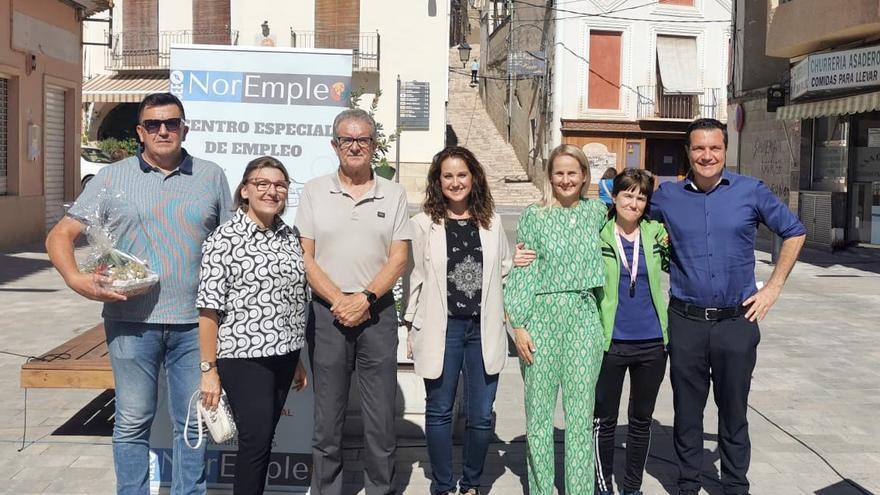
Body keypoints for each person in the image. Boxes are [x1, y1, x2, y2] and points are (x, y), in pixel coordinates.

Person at [46, 92, 232, 494]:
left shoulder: (211, 175)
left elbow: (228, 246)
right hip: (131, 324)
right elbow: (60, 235)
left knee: (192, 424)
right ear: (139, 133)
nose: (163, 130)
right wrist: (77, 280)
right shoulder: (112, 178)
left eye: (171, 123)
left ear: (185, 128)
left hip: (193, 326)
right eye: (153, 124)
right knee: (132, 420)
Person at [651, 118, 806, 495]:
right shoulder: (666, 197)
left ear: (725, 151)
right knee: (687, 413)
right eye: (699, 148)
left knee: (734, 412)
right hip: (685, 321)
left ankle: (735, 486)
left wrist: (772, 288)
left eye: (715, 148)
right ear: (688, 151)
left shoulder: (750, 191)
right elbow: (623, 220)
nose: (707, 156)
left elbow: (794, 231)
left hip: (737, 323)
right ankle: (687, 484)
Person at [514, 168, 670, 495]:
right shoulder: (586, 222)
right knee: (578, 419)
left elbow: (675, 259)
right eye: (627, 195)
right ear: (613, 196)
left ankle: (613, 488)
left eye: (641, 197)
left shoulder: (644, 230)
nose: (634, 202)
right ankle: (567, 489)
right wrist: (517, 318)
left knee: (607, 421)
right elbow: (524, 266)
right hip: (583, 330)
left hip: (623, 334)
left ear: (585, 177)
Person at [295, 108, 413, 495]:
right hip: (326, 314)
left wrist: (363, 299)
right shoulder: (313, 190)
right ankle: (327, 490)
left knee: (380, 419)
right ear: (335, 145)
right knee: (327, 418)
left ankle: (380, 489)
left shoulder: (394, 193)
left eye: (363, 140)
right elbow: (305, 257)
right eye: (347, 139)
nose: (355, 146)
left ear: (374, 146)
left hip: (376, 314)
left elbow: (399, 258)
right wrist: (339, 300)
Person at [196, 156, 309, 495]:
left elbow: (292, 301)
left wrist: (298, 356)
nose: (271, 191)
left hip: (285, 355)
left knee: (263, 441)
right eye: (262, 184)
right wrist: (208, 370)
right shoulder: (224, 239)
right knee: (255, 441)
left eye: (279, 185)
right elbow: (208, 309)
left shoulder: (289, 236)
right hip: (243, 356)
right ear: (244, 190)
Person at [404, 147, 512, 495]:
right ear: (438, 181)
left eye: (461, 175)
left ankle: (472, 483)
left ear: (473, 178)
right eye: (447, 176)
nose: (455, 182)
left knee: (481, 415)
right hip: (443, 328)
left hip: (483, 328)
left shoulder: (492, 222)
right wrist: (410, 325)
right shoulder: (423, 224)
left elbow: (505, 269)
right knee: (439, 412)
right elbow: (415, 278)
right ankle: (442, 485)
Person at [504, 144, 607, 495]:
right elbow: (524, 271)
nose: (565, 179)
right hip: (541, 319)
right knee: (539, 416)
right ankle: (542, 489)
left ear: (583, 176)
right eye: (559, 173)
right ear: (550, 177)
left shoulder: (597, 214)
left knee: (580, 417)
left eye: (572, 173)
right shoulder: (535, 216)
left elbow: (636, 211)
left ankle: (580, 490)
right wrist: (518, 325)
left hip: (583, 317)